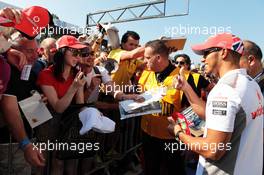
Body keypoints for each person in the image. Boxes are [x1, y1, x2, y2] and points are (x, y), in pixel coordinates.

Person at [168, 33, 263, 175]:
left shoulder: (225, 90)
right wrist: (186, 87)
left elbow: (212, 149)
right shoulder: (250, 83)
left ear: (223, 52)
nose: (203, 58)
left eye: (206, 53)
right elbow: (213, 117)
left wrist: (178, 133)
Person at [37, 35, 87, 175]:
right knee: (41, 162)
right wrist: (74, 87)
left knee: (59, 162)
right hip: (47, 123)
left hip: (67, 124)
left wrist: (91, 116)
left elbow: (80, 104)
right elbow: (57, 107)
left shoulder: (77, 74)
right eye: (74, 52)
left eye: (80, 53)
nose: (78, 56)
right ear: (62, 52)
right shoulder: (46, 74)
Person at [138, 40, 188, 175]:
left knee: (173, 169)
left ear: (158, 58)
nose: (144, 61)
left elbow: (189, 109)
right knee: (150, 168)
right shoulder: (147, 72)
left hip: (170, 137)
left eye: (148, 58)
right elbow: (139, 94)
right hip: (147, 132)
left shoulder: (183, 77)